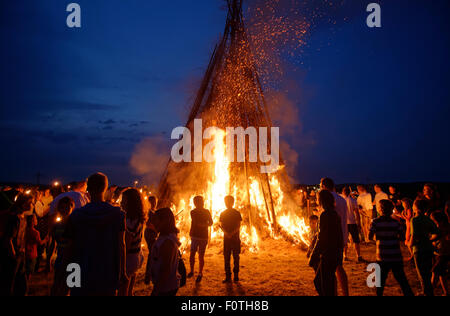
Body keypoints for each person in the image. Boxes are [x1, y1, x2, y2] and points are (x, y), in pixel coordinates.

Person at [63, 173, 127, 296]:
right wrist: (122, 272)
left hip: (79, 272)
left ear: (88, 189)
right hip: (106, 273)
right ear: (105, 188)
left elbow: (69, 249)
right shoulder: (118, 215)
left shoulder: (76, 216)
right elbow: (121, 245)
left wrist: (69, 276)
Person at [369, 200, 414, 296]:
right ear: (391, 210)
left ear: (380, 209)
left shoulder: (375, 222)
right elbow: (402, 237)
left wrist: (379, 236)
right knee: (402, 280)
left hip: (382, 255)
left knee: (380, 281)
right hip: (395, 255)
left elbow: (369, 236)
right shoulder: (396, 223)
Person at [309, 190, 343, 296]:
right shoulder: (334, 214)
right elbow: (339, 235)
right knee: (327, 282)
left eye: (318, 198)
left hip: (328, 254)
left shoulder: (325, 215)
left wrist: (314, 254)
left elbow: (322, 237)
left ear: (322, 200)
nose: (316, 200)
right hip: (335, 253)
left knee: (322, 283)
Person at [0, 194, 34, 296]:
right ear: (24, 205)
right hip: (12, 255)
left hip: (20, 253)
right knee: (10, 281)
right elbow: (8, 239)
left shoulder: (23, 217)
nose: (32, 205)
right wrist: (14, 254)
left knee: (21, 282)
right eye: (30, 203)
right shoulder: (15, 218)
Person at [320, 178, 348, 296]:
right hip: (341, 237)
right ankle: (345, 293)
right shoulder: (342, 199)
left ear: (324, 186)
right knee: (338, 266)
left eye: (321, 185)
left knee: (329, 270)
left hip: (330, 240)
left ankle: (334, 292)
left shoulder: (327, 199)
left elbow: (326, 223)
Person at [407, 199, 439, 296]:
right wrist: (430, 240)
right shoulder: (428, 219)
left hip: (419, 250)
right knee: (427, 273)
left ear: (415, 208)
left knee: (422, 274)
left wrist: (409, 244)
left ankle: (427, 293)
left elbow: (414, 236)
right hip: (428, 249)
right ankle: (427, 292)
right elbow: (437, 233)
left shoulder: (414, 220)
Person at [119, 188, 145, 296]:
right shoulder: (138, 218)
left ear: (131, 203)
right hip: (137, 255)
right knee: (129, 290)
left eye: (124, 200)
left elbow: (126, 244)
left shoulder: (129, 221)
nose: (121, 203)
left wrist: (121, 265)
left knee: (122, 291)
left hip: (129, 258)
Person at [150, 208, 181, 296]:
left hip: (166, 287)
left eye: (156, 220)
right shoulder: (164, 237)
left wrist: (156, 290)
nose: (153, 223)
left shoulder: (167, 242)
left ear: (165, 221)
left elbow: (166, 269)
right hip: (165, 285)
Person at [50, 197, 74, 296]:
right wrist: (49, 259)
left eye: (67, 207)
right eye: (62, 207)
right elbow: (53, 242)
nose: (64, 210)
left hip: (73, 263)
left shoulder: (75, 225)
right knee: (57, 287)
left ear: (72, 207)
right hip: (60, 261)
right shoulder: (57, 225)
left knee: (72, 289)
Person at [188, 196, 213, 283]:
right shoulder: (193, 212)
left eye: (199, 201)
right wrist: (204, 224)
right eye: (196, 202)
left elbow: (211, 222)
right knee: (192, 254)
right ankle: (191, 271)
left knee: (201, 256)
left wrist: (204, 225)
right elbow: (195, 222)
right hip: (195, 236)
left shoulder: (206, 212)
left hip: (203, 237)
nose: (198, 203)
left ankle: (200, 273)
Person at [219, 196, 242, 283]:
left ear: (232, 203)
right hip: (229, 239)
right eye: (226, 202)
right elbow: (222, 225)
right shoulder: (224, 213)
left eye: (228, 202)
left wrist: (229, 234)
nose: (227, 203)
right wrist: (227, 233)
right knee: (228, 257)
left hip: (233, 238)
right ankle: (229, 276)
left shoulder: (236, 213)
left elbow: (238, 226)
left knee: (235, 257)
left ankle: (235, 276)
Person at [341, 187, 364, 263]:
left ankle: (345, 256)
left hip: (344, 223)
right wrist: (359, 223)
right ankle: (358, 255)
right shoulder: (353, 200)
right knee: (356, 240)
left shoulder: (342, 200)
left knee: (344, 240)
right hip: (352, 222)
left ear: (343, 192)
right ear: (349, 193)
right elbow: (357, 213)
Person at [430, 211, 449, 296]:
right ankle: (446, 292)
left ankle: (429, 292)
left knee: (435, 272)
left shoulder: (442, 229)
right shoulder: (443, 228)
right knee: (442, 273)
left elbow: (434, 238)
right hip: (439, 253)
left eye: (433, 221)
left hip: (442, 253)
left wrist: (426, 240)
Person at [25, 215, 47, 280]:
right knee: (30, 270)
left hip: (25, 252)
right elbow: (39, 242)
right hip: (32, 253)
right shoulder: (36, 232)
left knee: (25, 269)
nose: (36, 220)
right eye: (35, 219)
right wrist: (46, 239)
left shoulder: (25, 230)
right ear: (32, 221)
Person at [144, 195, 158, 285]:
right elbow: (148, 224)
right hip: (149, 233)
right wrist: (156, 229)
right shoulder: (149, 212)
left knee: (153, 253)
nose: (154, 203)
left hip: (153, 233)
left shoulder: (154, 211)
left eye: (155, 202)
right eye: (152, 202)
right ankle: (148, 276)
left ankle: (150, 274)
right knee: (152, 253)